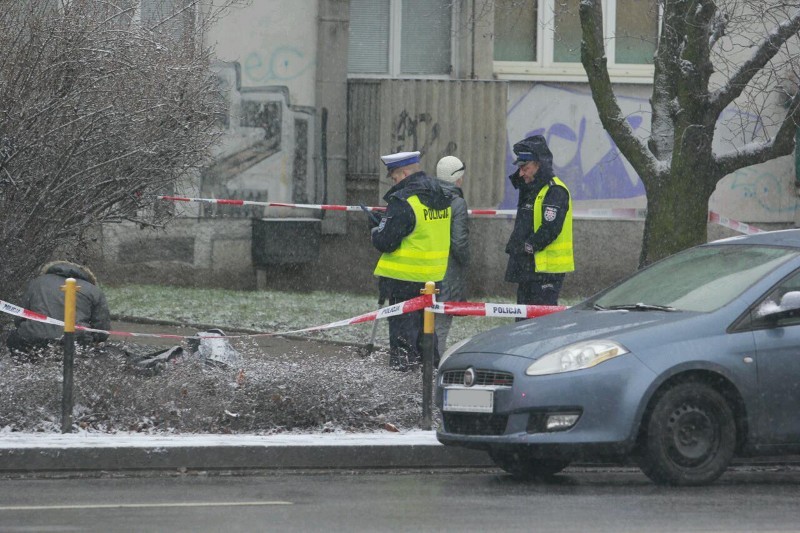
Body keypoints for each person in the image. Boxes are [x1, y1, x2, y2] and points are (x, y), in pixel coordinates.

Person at [370, 150, 452, 371]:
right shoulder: (441, 196)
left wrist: (377, 228)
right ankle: (429, 380)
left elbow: (385, 241)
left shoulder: (404, 200)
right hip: (432, 279)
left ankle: (403, 383)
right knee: (426, 333)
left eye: (395, 177)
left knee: (403, 339)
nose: (394, 182)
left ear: (404, 173)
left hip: (404, 279)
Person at [504, 135, 574, 316]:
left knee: (540, 325)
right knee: (523, 323)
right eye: (520, 168)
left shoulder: (554, 190)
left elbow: (550, 229)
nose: (521, 173)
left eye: (525, 168)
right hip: (529, 269)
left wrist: (528, 247)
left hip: (546, 271)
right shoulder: (532, 189)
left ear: (539, 165)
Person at [6, 260, 111, 358]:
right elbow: (101, 330)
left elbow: (20, 318)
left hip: (32, 338)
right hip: (75, 342)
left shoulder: (36, 283)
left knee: (14, 339)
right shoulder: (93, 290)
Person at [433, 155, 470, 355]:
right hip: (447, 270)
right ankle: (435, 362)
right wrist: (466, 261)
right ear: (457, 178)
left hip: (427, 268)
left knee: (426, 321)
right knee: (441, 324)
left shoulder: (428, 197)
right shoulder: (457, 204)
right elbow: (459, 242)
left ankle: (422, 362)